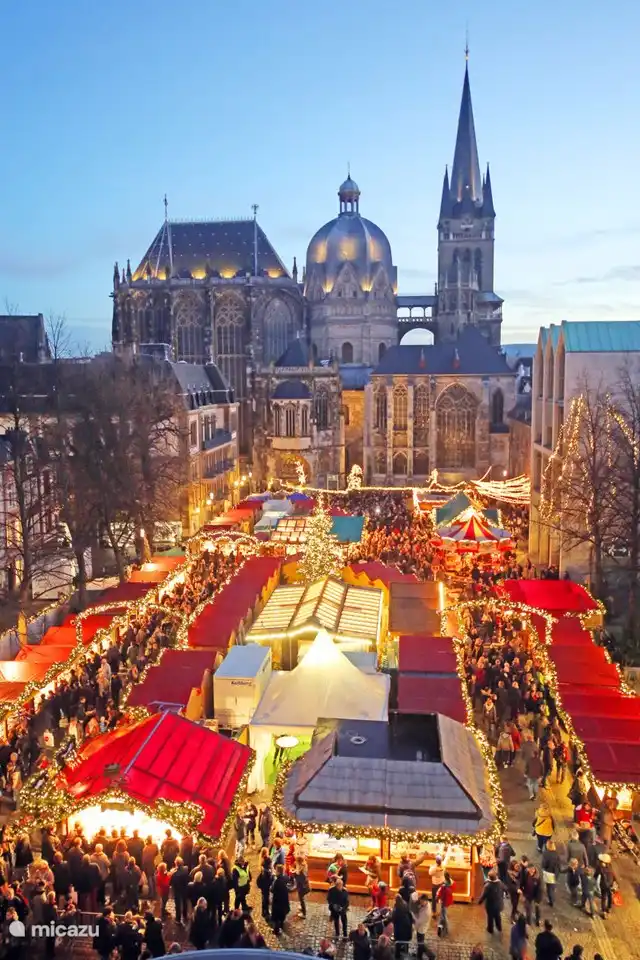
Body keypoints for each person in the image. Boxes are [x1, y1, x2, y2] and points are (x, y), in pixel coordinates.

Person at [478, 868, 506, 935]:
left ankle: (490, 929)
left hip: (490, 906)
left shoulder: (487, 886)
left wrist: (479, 902)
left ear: (489, 877)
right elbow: (505, 889)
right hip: (499, 905)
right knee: (497, 916)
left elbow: (483, 895)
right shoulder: (500, 883)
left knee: (490, 917)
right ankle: (499, 927)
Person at [409, 892, 435, 960]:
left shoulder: (426, 913)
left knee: (421, 943)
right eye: (420, 901)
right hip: (421, 926)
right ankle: (419, 955)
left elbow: (418, 921)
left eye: (422, 902)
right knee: (420, 943)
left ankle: (431, 955)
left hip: (421, 928)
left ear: (425, 901)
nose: (420, 903)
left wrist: (412, 914)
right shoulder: (426, 904)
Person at [390, 893, 413, 959]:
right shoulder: (405, 903)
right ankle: (406, 951)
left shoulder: (396, 908)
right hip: (407, 927)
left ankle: (397, 956)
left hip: (399, 929)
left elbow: (393, 918)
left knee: (398, 943)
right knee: (406, 941)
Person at [271, 862, 290, 935]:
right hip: (284, 899)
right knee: (282, 914)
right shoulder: (285, 877)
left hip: (277, 901)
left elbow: (272, 890)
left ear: (278, 871)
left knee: (276, 916)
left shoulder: (277, 881)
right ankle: (282, 924)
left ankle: (276, 930)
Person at [541, 839, 560, 906]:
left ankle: (551, 901)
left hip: (548, 873)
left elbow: (544, 864)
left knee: (549, 888)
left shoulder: (546, 853)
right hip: (555, 873)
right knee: (552, 886)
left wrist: (543, 867)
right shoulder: (556, 854)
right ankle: (553, 896)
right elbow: (559, 864)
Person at [435, 871, 454, 937]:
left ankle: (445, 928)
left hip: (444, 901)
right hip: (448, 900)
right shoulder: (452, 882)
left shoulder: (444, 885)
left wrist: (437, 898)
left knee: (443, 915)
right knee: (443, 914)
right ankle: (441, 927)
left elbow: (439, 893)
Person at [294, 854, 309, 919]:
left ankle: (304, 913)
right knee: (302, 898)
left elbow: (300, 878)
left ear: (299, 862)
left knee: (301, 899)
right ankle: (302, 907)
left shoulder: (301, 871)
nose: (295, 862)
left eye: (296, 861)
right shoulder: (304, 865)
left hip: (302, 887)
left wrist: (294, 874)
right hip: (304, 886)